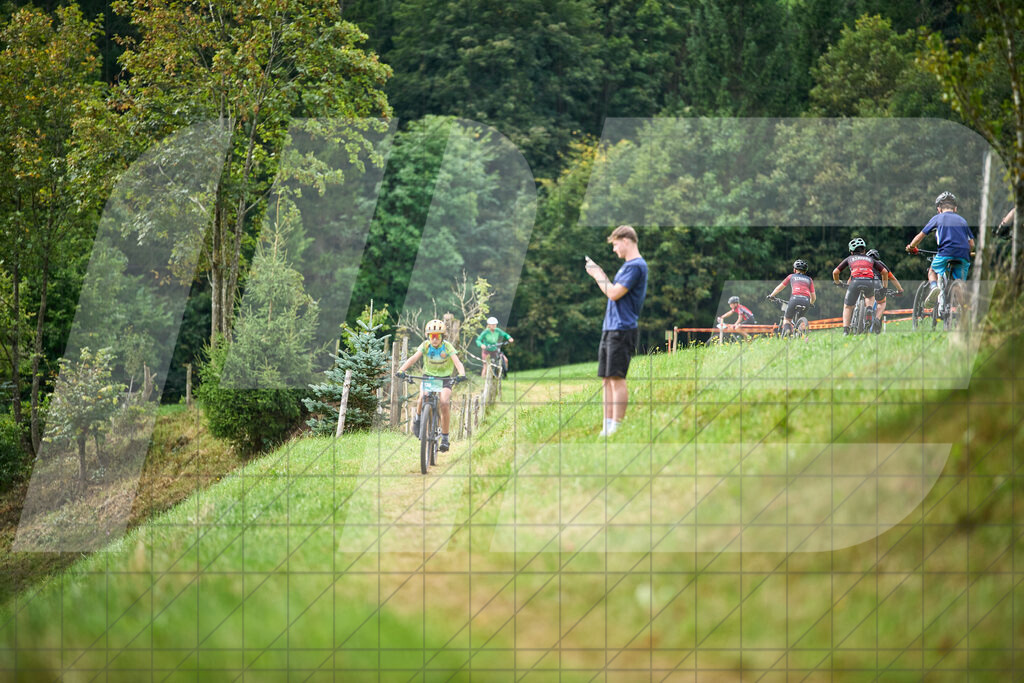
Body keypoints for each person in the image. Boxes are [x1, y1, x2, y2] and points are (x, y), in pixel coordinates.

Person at [584, 225, 648, 437]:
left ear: (626, 240)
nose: (614, 249)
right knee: (606, 378)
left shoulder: (636, 267)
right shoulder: (627, 266)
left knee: (617, 378)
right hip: (610, 328)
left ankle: (617, 427)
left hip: (622, 329)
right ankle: (607, 426)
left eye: (615, 244)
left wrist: (598, 274)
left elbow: (613, 293)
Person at [395, 319, 467, 452]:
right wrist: (402, 370)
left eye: (437, 336)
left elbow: (457, 362)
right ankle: (417, 420)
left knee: (444, 403)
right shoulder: (425, 346)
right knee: (422, 397)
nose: (434, 339)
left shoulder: (448, 347)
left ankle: (445, 438)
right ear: (428, 336)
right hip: (429, 376)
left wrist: (462, 373)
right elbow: (413, 358)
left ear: (442, 336)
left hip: (445, 378)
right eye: (431, 336)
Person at [905, 192, 975, 311]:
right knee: (959, 284)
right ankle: (964, 310)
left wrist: (911, 246)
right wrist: (968, 251)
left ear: (939, 209)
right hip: (963, 255)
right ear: (955, 208)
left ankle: (933, 288)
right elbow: (972, 244)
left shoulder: (937, 218)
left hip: (945, 252)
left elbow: (920, 236)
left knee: (932, 270)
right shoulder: (963, 221)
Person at [833, 237, 887, 335]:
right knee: (870, 296)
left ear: (852, 252)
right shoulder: (870, 259)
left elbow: (835, 272)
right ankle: (869, 309)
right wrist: (885, 287)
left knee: (848, 306)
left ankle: (846, 330)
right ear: (864, 250)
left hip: (855, 282)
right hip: (870, 282)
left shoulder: (849, 258)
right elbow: (884, 272)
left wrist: (837, 282)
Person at [767, 259, 815, 336]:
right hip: (806, 300)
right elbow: (813, 297)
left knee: (787, 319)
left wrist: (772, 295)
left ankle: (788, 332)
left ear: (794, 269)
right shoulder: (809, 279)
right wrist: (811, 303)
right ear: (805, 271)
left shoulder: (791, 276)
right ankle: (799, 333)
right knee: (799, 318)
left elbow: (779, 288)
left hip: (794, 299)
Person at [863, 248, 904, 334]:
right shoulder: (880, 264)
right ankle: (877, 319)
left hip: (862, 283)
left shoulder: (862, 263)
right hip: (877, 284)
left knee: (865, 297)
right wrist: (900, 290)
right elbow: (892, 278)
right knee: (882, 302)